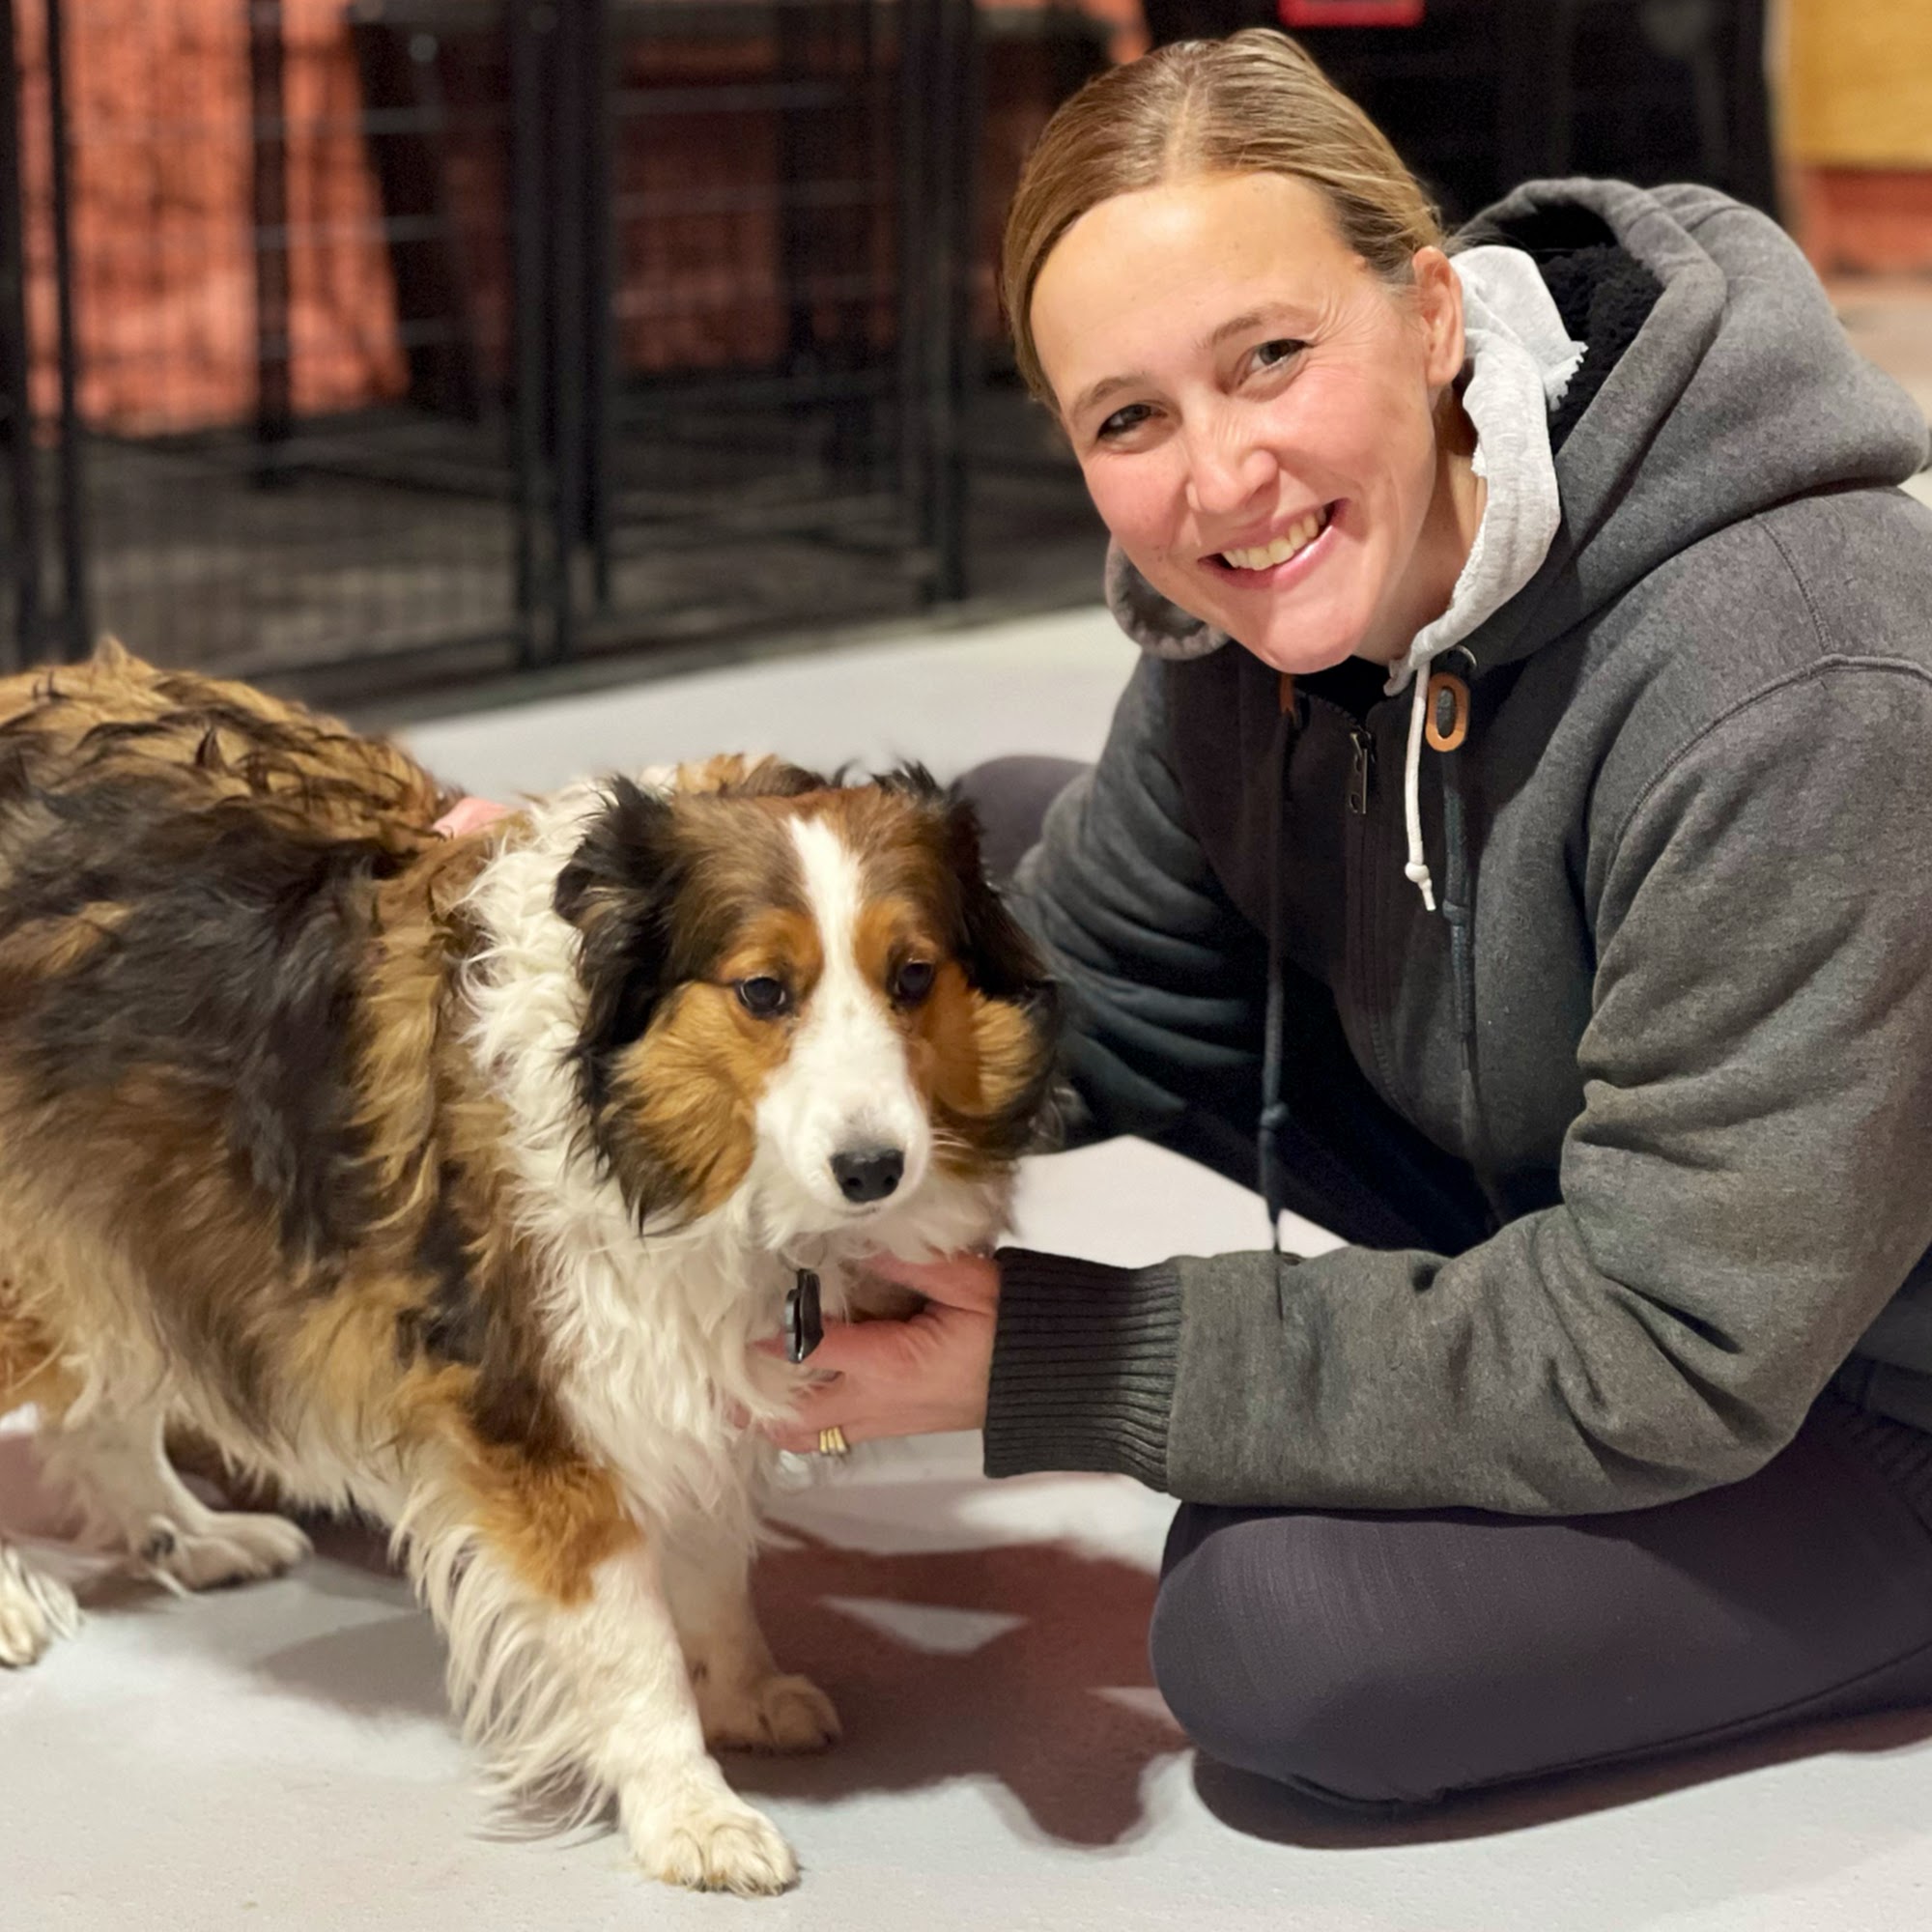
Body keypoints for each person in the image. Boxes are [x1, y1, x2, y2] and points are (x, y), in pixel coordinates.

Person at [753, 31, 1932, 1811]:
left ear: (1439, 311)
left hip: (1846, 1364)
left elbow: (1679, 1338)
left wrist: (1085, 1360)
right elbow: (1081, 1002)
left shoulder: (1796, 673)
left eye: (1272, 359)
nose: (1222, 480)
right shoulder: (1253, 632)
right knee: (973, 887)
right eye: (1131, 417)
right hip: (1561, 1175)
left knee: (1286, 1630)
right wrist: (570, 972)